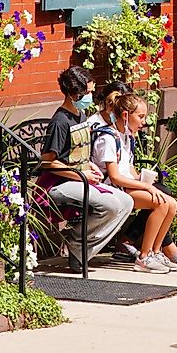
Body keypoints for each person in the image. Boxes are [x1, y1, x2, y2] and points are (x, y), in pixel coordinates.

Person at [91, 90, 177, 272]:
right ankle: (144, 256)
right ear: (125, 115)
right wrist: (145, 186)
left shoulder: (126, 136)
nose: (144, 122)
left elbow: (129, 169)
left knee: (171, 204)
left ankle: (157, 251)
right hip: (113, 189)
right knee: (161, 203)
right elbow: (115, 176)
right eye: (141, 117)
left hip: (125, 186)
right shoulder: (108, 138)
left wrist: (142, 178)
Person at [40, 66, 132, 267]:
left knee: (126, 202)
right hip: (58, 183)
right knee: (111, 205)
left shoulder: (80, 115)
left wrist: (89, 165)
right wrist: (81, 174)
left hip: (80, 176)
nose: (90, 97)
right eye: (87, 93)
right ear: (74, 92)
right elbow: (48, 161)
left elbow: (76, 151)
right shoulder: (60, 122)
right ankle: (76, 243)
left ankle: (81, 247)